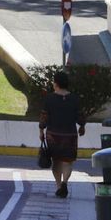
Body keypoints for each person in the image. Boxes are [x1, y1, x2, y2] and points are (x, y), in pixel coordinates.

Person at [40, 69, 85, 198]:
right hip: (70, 135)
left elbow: (44, 117)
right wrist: (82, 126)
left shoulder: (49, 99)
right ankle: (65, 182)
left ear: (56, 84)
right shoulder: (74, 99)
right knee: (67, 161)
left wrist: (41, 130)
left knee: (56, 161)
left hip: (53, 135)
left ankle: (59, 186)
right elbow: (80, 117)